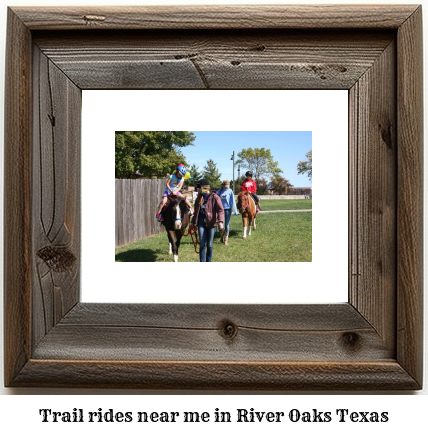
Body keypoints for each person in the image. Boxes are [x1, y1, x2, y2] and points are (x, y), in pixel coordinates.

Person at [190, 178, 224, 262]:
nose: (198, 190)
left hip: (211, 223)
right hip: (201, 222)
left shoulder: (215, 197)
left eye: (199, 188)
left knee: (209, 245)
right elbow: (196, 212)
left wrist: (221, 222)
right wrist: (193, 222)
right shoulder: (199, 198)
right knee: (202, 243)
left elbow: (220, 210)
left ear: (204, 188)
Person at [217, 179, 238, 245]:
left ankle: (226, 240)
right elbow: (216, 200)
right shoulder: (219, 191)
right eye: (225, 186)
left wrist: (235, 210)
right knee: (221, 225)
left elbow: (233, 200)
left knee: (227, 224)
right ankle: (222, 237)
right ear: (223, 185)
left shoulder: (230, 191)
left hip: (228, 209)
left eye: (227, 186)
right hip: (220, 210)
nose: (226, 187)